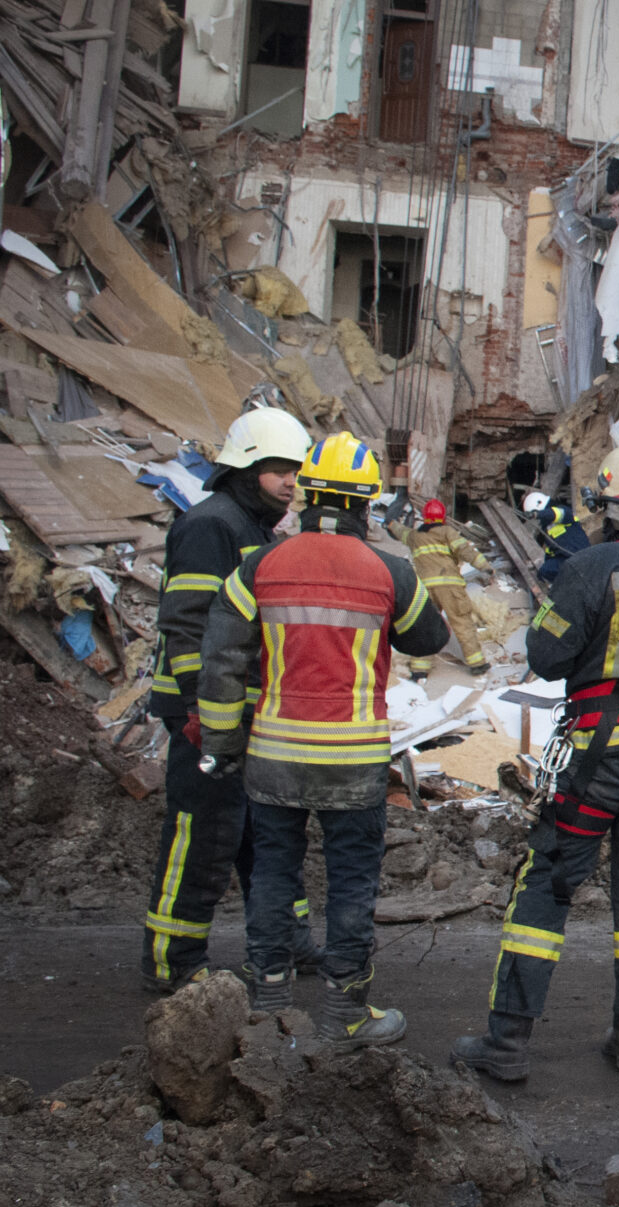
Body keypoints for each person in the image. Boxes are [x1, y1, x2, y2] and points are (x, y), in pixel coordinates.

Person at [451, 440, 619, 1082]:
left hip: (598, 758)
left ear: (608, 505)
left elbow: (544, 658)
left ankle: (509, 1044)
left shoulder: (589, 565)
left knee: (547, 886)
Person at [195, 432, 449, 1045]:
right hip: (352, 761)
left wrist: (222, 746)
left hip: (274, 756)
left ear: (304, 496)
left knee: (273, 877)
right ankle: (346, 1014)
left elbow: (220, 662)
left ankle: (269, 1006)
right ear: (367, 504)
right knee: (351, 883)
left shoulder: (258, 565)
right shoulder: (389, 571)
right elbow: (429, 639)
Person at [139, 406, 321, 993]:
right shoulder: (212, 525)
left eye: (297, 471)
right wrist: (199, 710)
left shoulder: (252, 528)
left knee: (256, 832)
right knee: (203, 834)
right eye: (279, 470)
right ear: (245, 468)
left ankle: (288, 940)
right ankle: (172, 960)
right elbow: (188, 624)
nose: (291, 482)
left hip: (236, 711)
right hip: (204, 715)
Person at [399, 498, 492, 675]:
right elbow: (465, 550)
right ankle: (476, 664)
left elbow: (400, 532)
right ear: (442, 517)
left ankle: (419, 669)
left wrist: (390, 523)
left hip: (425, 588)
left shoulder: (415, 536)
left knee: (424, 625)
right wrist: (485, 567)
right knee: (462, 623)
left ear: (425, 517)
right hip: (450, 586)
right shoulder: (447, 532)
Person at [524, 490, 591, 585]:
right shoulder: (547, 528)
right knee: (545, 571)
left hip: (581, 557)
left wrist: (537, 514)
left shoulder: (563, 512)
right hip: (567, 561)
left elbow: (554, 513)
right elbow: (550, 551)